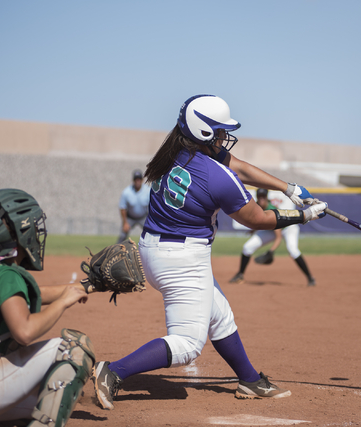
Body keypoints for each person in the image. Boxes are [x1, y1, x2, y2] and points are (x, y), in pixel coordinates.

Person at [91, 94, 327, 409]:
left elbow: (238, 167)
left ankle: (249, 379)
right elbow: (257, 218)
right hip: (182, 259)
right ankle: (113, 371)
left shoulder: (174, 150)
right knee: (188, 344)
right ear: (202, 133)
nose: (223, 137)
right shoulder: (215, 175)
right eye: (217, 131)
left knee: (219, 315)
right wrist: (304, 216)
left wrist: (289, 189)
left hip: (154, 249)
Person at [0, 189, 95, 426]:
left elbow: (36, 294)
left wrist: (89, 285)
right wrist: (63, 303)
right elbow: (25, 331)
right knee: (73, 347)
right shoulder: (7, 274)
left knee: (48, 397)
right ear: (21, 234)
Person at [229, 188, 317, 286]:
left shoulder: (271, 209)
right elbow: (257, 220)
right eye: (260, 196)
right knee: (247, 247)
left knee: (293, 250)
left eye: (263, 196)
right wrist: (253, 230)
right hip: (271, 229)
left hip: (288, 228)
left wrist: (271, 251)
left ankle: (310, 278)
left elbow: (278, 237)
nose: (261, 198)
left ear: (267, 197)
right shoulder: (256, 206)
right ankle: (240, 274)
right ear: (257, 197)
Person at [117, 169, 151, 243]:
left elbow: (153, 205)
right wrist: (125, 222)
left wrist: (151, 219)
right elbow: (122, 207)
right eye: (136, 180)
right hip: (130, 218)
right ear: (133, 180)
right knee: (123, 235)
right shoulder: (127, 192)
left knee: (151, 232)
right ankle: (115, 251)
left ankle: (152, 250)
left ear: (142, 180)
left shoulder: (148, 191)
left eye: (139, 179)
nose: (137, 181)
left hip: (143, 217)